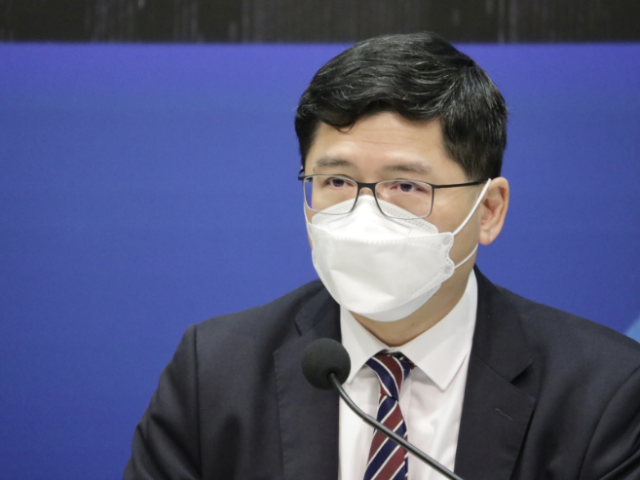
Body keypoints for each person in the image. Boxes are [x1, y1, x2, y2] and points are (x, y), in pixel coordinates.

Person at [123, 32, 640, 480]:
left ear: (488, 210)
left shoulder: (604, 392)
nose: (365, 215)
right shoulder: (215, 375)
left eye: (406, 186)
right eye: (336, 181)